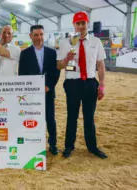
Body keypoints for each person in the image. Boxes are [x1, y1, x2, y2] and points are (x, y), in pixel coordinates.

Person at [57, 12, 108, 159]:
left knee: (89, 117)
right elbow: (59, 65)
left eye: (83, 23)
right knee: (71, 116)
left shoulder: (95, 42)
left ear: (87, 24)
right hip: (72, 83)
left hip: (90, 83)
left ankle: (92, 147)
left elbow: (100, 64)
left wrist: (102, 85)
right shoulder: (66, 43)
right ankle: (69, 146)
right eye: (77, 23)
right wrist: (67, 58)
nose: (80, 26)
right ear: (74, 25)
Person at [18, 25, 61, 155]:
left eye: (41, 34)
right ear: (31, 36)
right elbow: (22, 74)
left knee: (50, 119)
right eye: (36, 35)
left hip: (48, 92)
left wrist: (49, 86)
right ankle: (33, 143)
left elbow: (56, 72)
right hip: (31, 95)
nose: (39, 37)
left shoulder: (52, 52)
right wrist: (31, 89)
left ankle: (52, 144)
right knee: (32, 119)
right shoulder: (24, 54)